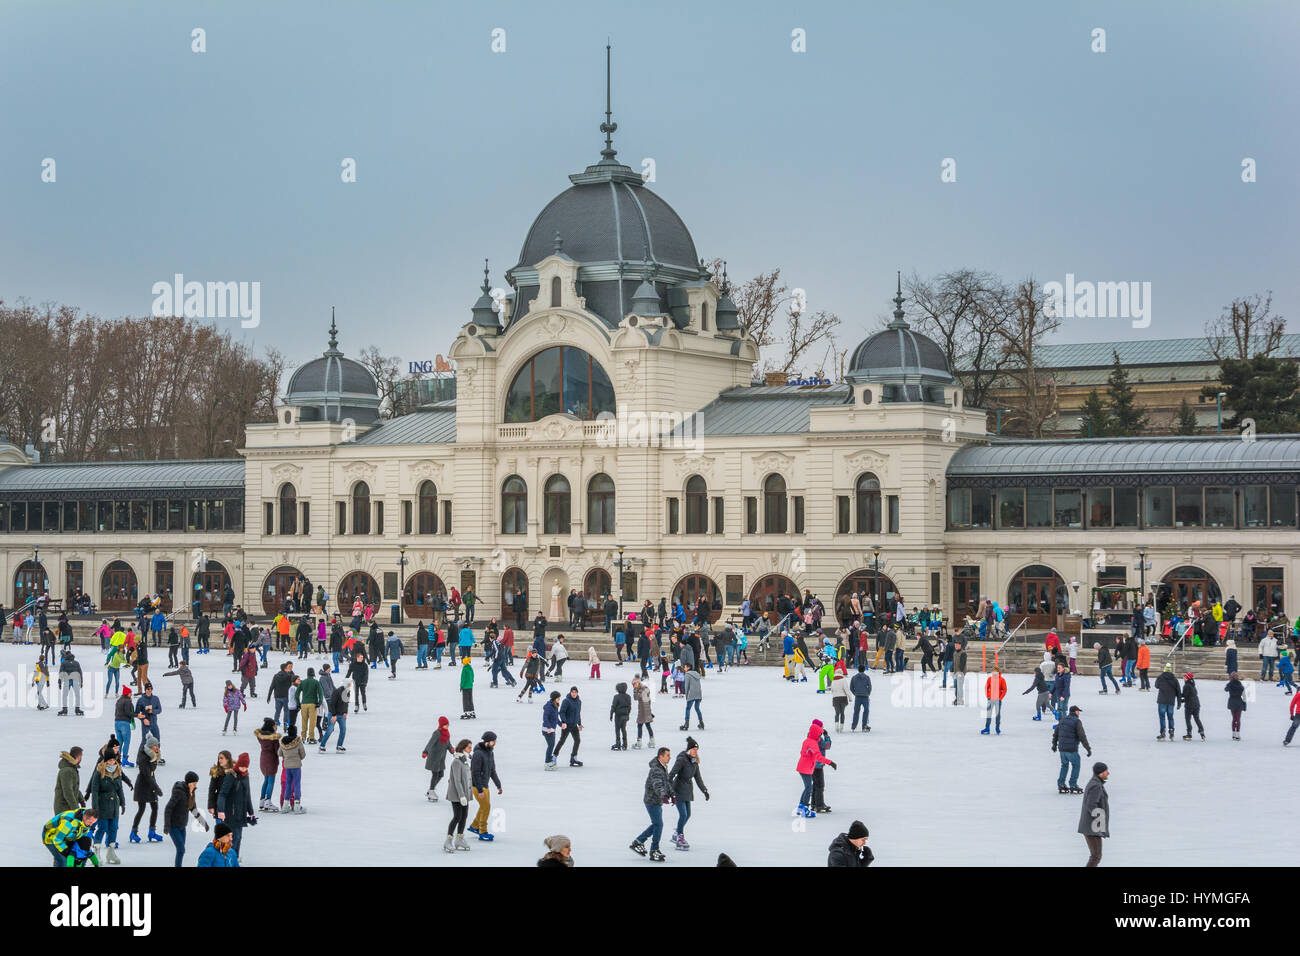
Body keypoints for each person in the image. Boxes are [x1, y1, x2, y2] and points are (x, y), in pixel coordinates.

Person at [630, 746, 673, 862]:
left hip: (656, 800)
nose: (670, 758)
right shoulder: (656, 770)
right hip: (652, 800)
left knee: (656, 824)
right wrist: (663, 795)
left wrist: (672, 794)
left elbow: (667, 783)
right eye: (667, 755)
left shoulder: (663, 767)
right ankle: (654, 850)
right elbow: (657, 785)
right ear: (661, 756)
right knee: (658, 824)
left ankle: (638, 842)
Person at [86, 751, 127, 864]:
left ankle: (111, 853)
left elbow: (120, 789)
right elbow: (94, 791)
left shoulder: (118, 771)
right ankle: (97, 853)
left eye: (113, 760)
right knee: (102, 828)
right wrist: (95, 809)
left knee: (113, 828)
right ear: (105, 761)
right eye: (109, 760)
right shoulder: (99, 772)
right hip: (102, 805)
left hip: (114, 806)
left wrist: (123, 802)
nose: (112, 762)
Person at [668, 736, 709, 850]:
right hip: (678, 789)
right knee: (683, 814)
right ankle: (680, 836)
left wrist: (704, 790)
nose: (696, 751)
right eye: (694, 749)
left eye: (697, 750)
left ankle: (677, 833)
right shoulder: (682, 759)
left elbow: (698, 778)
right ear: (689, 750)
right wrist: (669, 790)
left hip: (688, 791)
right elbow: (671, 774)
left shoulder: (695, 762)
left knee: (688, 815)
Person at [163, 771, 208, 867]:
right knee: (181, 850)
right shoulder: (179, 792)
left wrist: (203, 823)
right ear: (189, 783)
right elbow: (168, 808)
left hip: (182, 826)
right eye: (194, 783)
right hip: (173, 826)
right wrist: (167, 825)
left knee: (181, 851)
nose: (195, 785)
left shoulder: (190, 793)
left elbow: (193, 809)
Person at [216, 752, 256, 855]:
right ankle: (228, 860)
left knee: (238, 838)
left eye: (245, 767)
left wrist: (251, 812)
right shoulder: (231, 776)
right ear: (238, 764)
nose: (243, 769)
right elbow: (222, 794)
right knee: (233, 839)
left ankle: (234, 859)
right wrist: (221, 811)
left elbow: (247, 796)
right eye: (241, 766)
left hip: (240, 813)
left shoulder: (246, 776)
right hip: (230, 813)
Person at [795, 720, 835, 818]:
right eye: (820, 731)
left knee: (810, 787)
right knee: (814, 786)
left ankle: (805, 807)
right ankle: (813, 806)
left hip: (807, 767)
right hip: (809, 767)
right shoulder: (815, 742)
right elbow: (822, 752)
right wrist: (830, 762)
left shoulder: (808, 740)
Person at [468, 731, 502, 841]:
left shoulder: (490, 753)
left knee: (484, 806)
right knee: (486, 807)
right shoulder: (478, 754)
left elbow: (492, 771)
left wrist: (498, 785)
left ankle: (474, 826)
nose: (494, 743)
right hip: (477, 785)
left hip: (485, 785)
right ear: (487, 741)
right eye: (493, 741)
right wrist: (479, 790)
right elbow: (475, 773)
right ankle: (483, 832)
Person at [1052, 704, 1092, 794]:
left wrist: (1054, 745)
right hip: (1071, 749)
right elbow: (1082, 736)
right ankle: (1073, 785)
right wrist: (1088, 748)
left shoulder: (1062, 720)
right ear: (1075, 712)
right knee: (1076, 765)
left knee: (1064, 766)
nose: (1079, 713)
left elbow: (1056, 734)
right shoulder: (1077, 721)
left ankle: (1061, 784)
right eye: (1078, 711)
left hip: (1062, 749)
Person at [443, 739, 473, 852]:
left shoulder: (465, 760)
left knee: (464, 816)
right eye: (469, 747)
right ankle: (448, 840)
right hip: (456, 795)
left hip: (465, 794)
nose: (471, 749)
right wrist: (461, 796)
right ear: (463, 748)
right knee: (457, 817)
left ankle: (459, 838)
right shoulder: (456, 762)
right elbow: (457, 781)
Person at [1078, 762, 1110, 867]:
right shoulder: (1096, 785)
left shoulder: (1096, 783)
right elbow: (1091, 805)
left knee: (1095, 856)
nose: (1108, 773)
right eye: (1106, 771)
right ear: (1100, 773)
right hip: (1092, 827)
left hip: (1092, 826)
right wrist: (1100, 822)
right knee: (1096, 856)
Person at [278, 726, 306, 813]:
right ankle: (297, 804)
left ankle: (285, 805)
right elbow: (303, 754)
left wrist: (286, 757)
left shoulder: (283, 742)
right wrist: (297, 758)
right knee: (297, 784)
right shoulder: (298, 742)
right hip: (296, 767)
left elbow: (279, 753)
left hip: (287, 767)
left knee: (288, 785)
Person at [423, 716, 451, 799]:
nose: (447, 726)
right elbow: (430, 743)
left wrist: (451, 749)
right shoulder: (437, 733)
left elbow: (448, 743)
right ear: (441, 725)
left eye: (447, 725)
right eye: (445, 725)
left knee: (441, 774)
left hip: (441, 758)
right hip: (434, 758)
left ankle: (431, 789)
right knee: (435, 774)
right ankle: (431, 791)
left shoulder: (446, 733)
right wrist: (425, 751)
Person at [555, 686, 584, 765]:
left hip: (574, 725)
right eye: (572, 692)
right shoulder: (566, 701)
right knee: (562, 741)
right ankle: (554, 757)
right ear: (570, 692)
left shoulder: (579, 702)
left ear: (577, 693)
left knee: (577, 740)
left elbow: (578, 714)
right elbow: (561, 712)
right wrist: (564, 722)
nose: (574, 694)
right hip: (567, 725)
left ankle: (573, 758)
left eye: (575, 692)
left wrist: (579, 724)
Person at [1155, 663, 1181, 740]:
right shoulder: (1174, 679)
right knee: (1170, 717)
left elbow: (1156, 686)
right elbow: (1178, 692)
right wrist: (1179, 703)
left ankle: (1163, 732)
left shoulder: (1160, 677)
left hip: (1162, 700)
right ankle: (1171, 731)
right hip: (1171, 701)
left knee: (1162, 717)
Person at [56, 650, 85, 716]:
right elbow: (80, 672)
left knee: (65, 696)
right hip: (75, 680)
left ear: (66, 656)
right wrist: (81, 682)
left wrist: (59, 682)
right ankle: (77, 709)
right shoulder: (76, 663)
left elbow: (61, 673)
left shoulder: (64, 663)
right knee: (77, 695)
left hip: (67, 680)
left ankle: (65, 709)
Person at [982, 668, 1007, 735]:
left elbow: (1004, 689)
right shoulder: (990, 679)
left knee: (997, 714)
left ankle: (997, 728)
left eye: (995, 671)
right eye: (993, 671)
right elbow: (986, 688)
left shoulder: (1002, 680)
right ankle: (987, 728)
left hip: (997, 700)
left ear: (998, 672)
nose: (994, 672)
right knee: (988, 714)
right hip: (990, 699)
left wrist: (1000, 698)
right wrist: (988, 696)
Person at [680, 662, 704, 730]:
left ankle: (686, 724)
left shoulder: (687, 675)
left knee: (688, 708)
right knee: (697, 708)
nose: (684, 668)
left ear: (688, 667)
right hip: (698, 693)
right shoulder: (697, 674)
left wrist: (687, 695)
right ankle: (701, 723)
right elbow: (699, 685)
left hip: (691, 693)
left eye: (685, 667)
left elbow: (686, 686)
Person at [848, 665, 872, 732]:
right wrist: (868, 693)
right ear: (864, 670)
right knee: (866, 711)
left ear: (858, 670)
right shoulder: (867, 677)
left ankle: (853, 726)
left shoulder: (854, 677)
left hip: (857, 697)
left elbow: (851, 687)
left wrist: (855, 693)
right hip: (865, 697)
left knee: (856, 712)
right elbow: (870, 687)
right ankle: (864, 725)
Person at [1225, 671, 1247, 740]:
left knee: (1234, 718)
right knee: (1238, 719)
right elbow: (1244, 696)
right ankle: (1237, 733)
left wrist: (1230, 683)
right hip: (1239, 702)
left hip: (1232, 702)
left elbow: (1226, 689)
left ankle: (1234, 734)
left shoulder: (1230, 684)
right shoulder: (1240, 685)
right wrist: (1245, 704)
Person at [610, 681, 632, 750]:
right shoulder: (628, 696)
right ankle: (625, 744)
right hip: (625, 716)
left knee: (617, 730)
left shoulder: (616, 697)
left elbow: (613, 706)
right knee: (623, 730)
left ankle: (618, 744)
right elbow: (629, 707)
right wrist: (628, 714)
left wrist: (611, 714)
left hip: (618, 716)